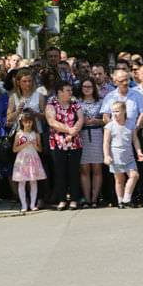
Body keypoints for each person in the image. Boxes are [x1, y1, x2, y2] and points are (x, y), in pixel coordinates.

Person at [44, 81, 83, 210]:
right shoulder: (51, 104)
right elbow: (51, 121)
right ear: (60, 92)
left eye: (71, 90)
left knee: (73, 171)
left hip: (74, 142)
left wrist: (73, 132)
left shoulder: (75, 103)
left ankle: (74, 199)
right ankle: (61, 199)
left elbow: (81, 119)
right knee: (59, 172)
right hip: (57, 142)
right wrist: (68, 130)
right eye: (68, 90)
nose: (70, 92)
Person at [103, 101, 143, 209]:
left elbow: (135, 139)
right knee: (119, 180)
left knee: (134, 175)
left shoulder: (131, 124)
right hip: (115, 156)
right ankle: (120, 201)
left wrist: (139, 151)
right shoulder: (109, 126)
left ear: (124, 111)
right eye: (113, 112)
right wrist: (106, 156)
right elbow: (106, 143)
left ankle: (127, 198)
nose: (115, 114)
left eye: (117, 111)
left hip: (129, 155)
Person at [77, 78, 104, 208]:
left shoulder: (101, 102)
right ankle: (87, 199)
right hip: (82, 135)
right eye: (84, 86)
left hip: (97, 134)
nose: (87, 89)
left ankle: (94, 199)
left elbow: (105, 120)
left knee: (97, 168)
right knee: (84, 169)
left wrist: (95, 121)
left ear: (94, 88)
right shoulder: (77, 102)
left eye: (89, 86)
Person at [11, 111, 45, 212]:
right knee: (22, 182)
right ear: (22, 122)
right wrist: (25, 144)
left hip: (33, 159)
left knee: (33, 182)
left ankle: (32, 204)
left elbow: (40, 149)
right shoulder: (19, 134)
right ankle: (24, 205)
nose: (28, 124)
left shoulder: (36, 134)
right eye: (26, 122)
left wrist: (34, 144)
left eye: (30, 122)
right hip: (22, 160)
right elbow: (14, 149)